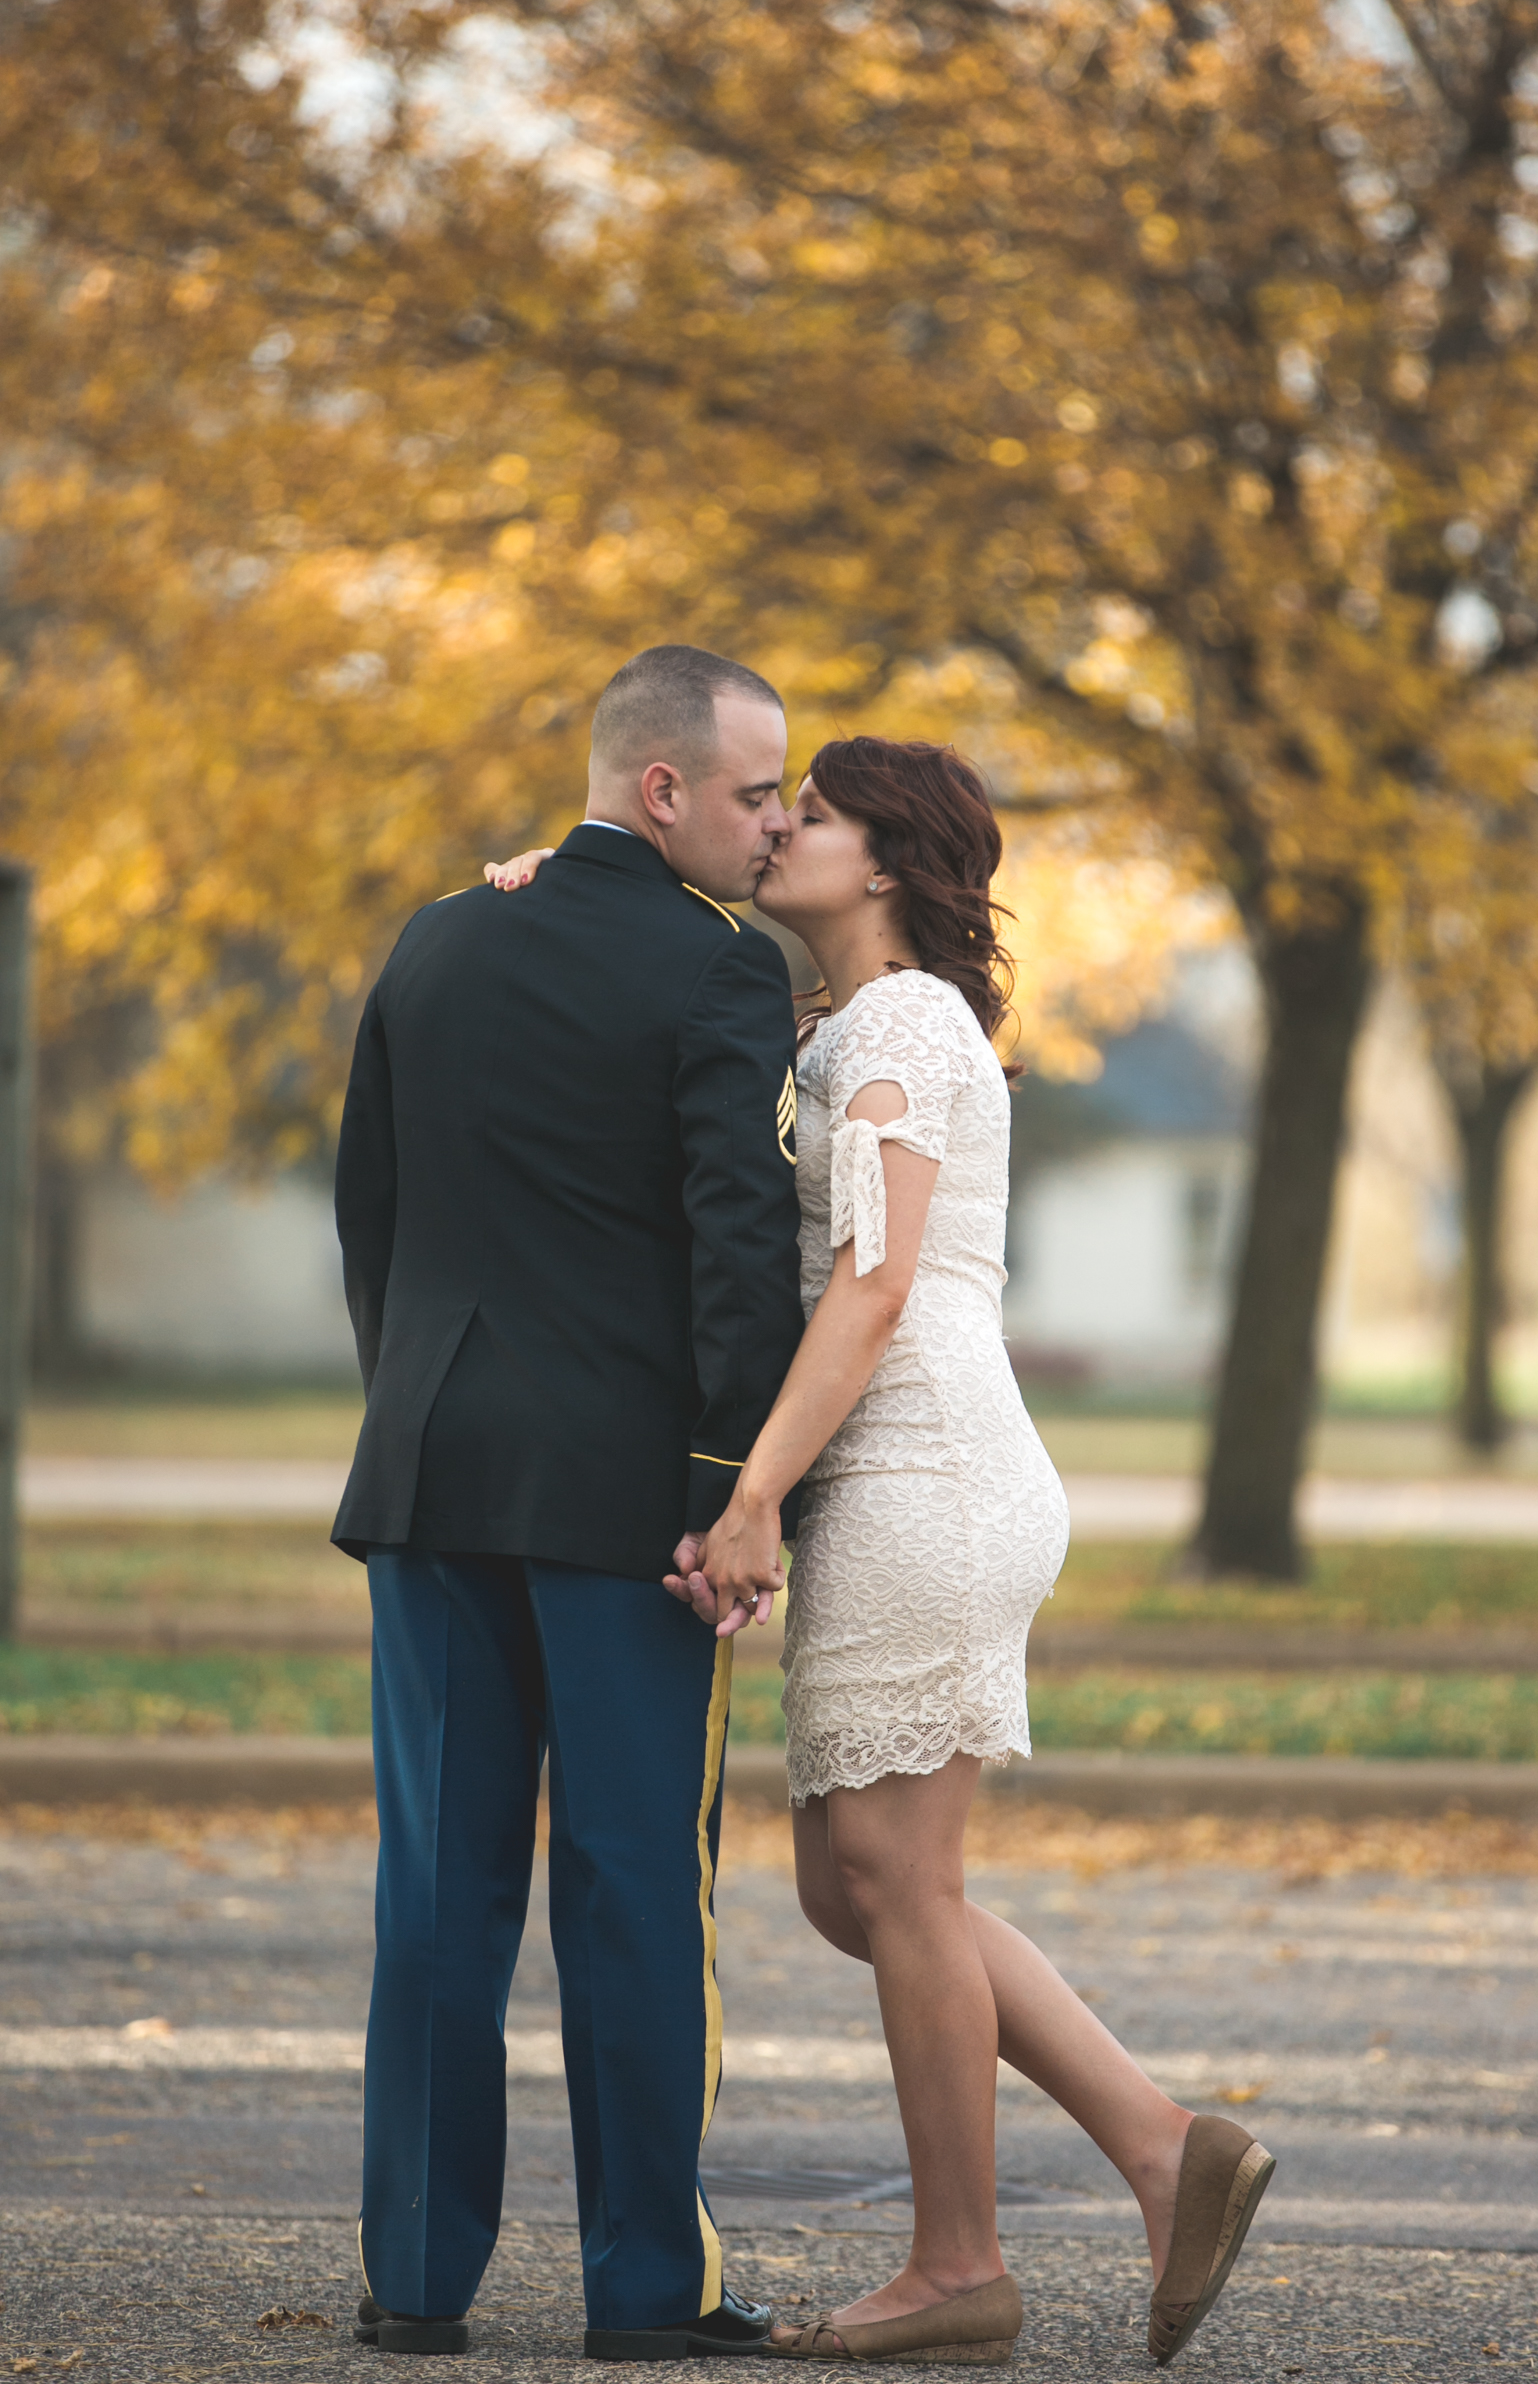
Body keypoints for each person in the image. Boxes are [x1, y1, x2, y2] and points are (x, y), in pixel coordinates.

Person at [495, 735, 1275, 2368]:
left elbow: (872, 1285)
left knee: (901, 1887)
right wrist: (547, 892)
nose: (782, 827)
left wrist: (752, 1494)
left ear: (895, 862)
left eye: (820, 813)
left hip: (927, 1474)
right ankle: (1156, 2143)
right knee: (856, 1895)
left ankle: (958, 2265)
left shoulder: (906, 1022)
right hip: (896, 1486)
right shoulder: (842, 1026)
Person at [333, 644, 806, 2359]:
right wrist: (724, 1490)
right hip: (636, 1514)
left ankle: (414, 2280)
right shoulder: (718, 974)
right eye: (757, 792)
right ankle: (641, 2291)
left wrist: (417, 1409)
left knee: (438, 1893)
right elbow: (746, 1261)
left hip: (434, 1474)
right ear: (660, 787)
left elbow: (367, 1212)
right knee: (628, 1892)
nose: (777, 825)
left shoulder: (438, 935)